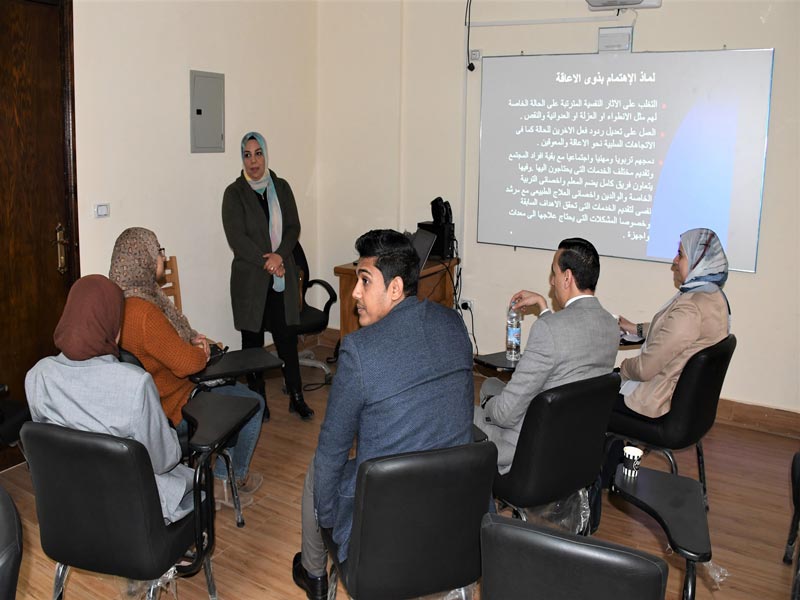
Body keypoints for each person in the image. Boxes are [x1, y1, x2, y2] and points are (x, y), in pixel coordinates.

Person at [292, 230, 475, 600]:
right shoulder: (454, 325)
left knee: (318, 470)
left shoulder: (359, 351)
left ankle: (314, 573)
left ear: (394, 289)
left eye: (364, 281)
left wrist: (328, 523)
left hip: (386, 532)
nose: (355, 293)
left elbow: (332, 452)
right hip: (458, 518)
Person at [109, 227, 265, 509]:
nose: (163, 258)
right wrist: (200, 350)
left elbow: (163, 349)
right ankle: (225, 481)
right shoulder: (144, 313)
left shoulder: (116, 302)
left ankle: (222, 469)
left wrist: (190, 341)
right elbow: (186, 365)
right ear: (142, 259)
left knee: (231, 393)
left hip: (147, 402)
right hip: (173, 404)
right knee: (253, 403)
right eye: (158, 251)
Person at [25, 275, 194, 523]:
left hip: (68, 509)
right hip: (130, 514)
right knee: (196, 485)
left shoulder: (38, 376)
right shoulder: (134, 383)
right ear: (112, 326)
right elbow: (162, 460)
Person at [474, 238, 619, 474]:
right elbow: (571, 344)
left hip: (526, 449)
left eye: (554, 273)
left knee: (464, 411)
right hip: (574, 443)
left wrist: (489, 406)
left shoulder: (549, 330)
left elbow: (506, 414)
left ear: (567, 277)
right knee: (491, 384)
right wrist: (543, 308)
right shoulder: (610, 326)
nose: (551, 281)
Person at [222, 131, 312, 421]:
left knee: (286, 338)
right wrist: (269, 263)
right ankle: (257, 400)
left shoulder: (281, 187)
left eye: (257, 153)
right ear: (242, 159)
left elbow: (293, 227)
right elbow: (238, 238)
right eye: (246, 155)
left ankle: (296, 395)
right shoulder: (233, 193)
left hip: (280, 280)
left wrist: (279, 255)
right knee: (252, 343)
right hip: (250, 281)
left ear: (265, 155)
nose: (253, 161)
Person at [617, 227, 731, 418]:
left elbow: (644, 370)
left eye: (680, 255)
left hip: (657, 401)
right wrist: (634, 328)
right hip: (688, 406)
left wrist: (622, 369)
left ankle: (614, 448)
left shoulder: (691, 308)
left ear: (698, 261)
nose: (675, 261)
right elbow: (672, 332)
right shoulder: (714, 297)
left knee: (592, 394)